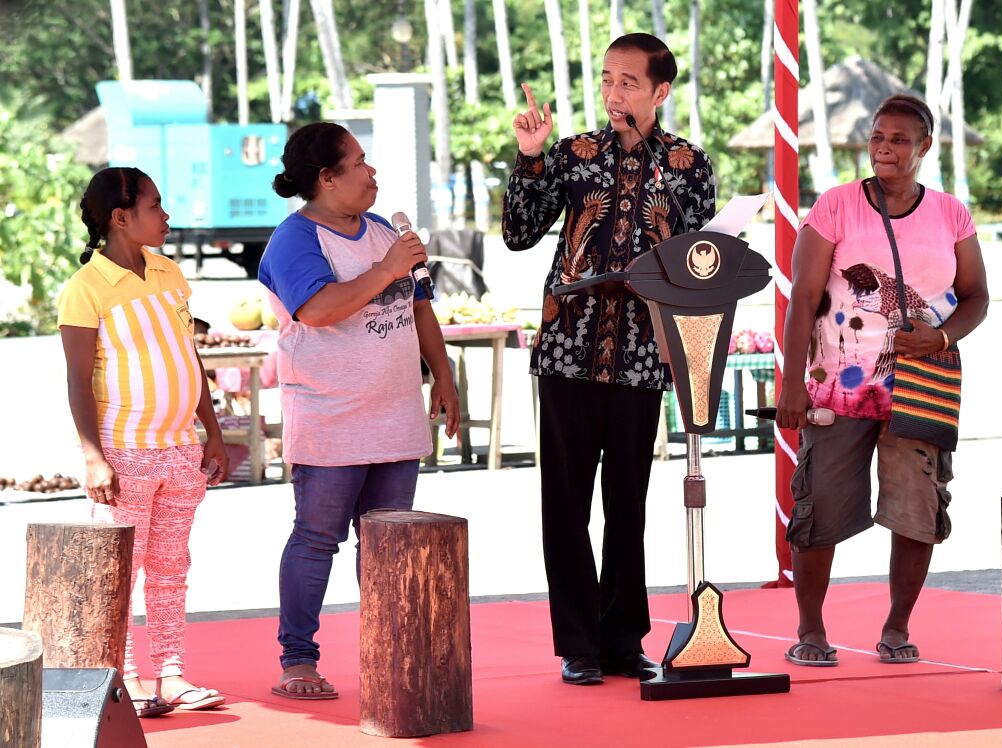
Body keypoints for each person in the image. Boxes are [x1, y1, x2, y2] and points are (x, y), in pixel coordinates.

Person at [502, 33, 716, 685]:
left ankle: (624, 642)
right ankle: (578, 646)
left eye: (628, 82)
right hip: (568, 349)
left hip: (642, 356)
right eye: (607, 79)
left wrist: (660, 273)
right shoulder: (573, 154)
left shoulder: (688, 165)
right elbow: (517, 234)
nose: (614, 92)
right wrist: (530, 159)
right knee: (564, 503)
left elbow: (701, 261)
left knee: (630, 504)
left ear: (660, 92)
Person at [775, 95, 989, 666]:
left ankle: (896, 628)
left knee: (918, 509)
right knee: (818, 506)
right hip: (841, 387)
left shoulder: (951, 213)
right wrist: (791, 382)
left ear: (924, 147)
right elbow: (803, 299)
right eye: (877, 137)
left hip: (922, 387)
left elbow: (976, 297)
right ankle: (811, 631)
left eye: (898, 140)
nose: (884, 149)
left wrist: (941, 339)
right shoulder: (837, 206)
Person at [259, 122, 460, 700]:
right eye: (359, 162)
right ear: (326, 179)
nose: (372, 173)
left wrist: (443, 376)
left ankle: (388, 651)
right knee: (317, 539)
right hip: (330, 419)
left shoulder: (381, 233)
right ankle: (298, 659)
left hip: (395, 417)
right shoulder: (294, 239)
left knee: (389, 543)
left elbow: (419, 307)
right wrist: (387, 268)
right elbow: (319, 310)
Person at [58, 167, 230, 717]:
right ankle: (125, 680)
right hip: (123, 452)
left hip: (181, 449)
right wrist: (93, 456)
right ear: (121, 217)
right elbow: (78, 378)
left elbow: (189, 360)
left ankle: (172, 675)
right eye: (156, 206)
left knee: (171, 565)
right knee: (121, 572)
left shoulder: (170, 273)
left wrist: (214, 432)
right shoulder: (84, 290)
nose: (166, 215)